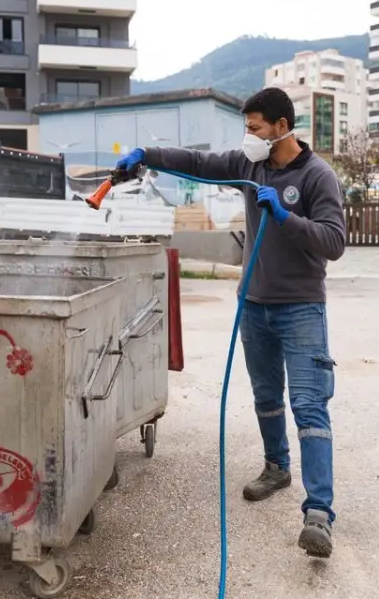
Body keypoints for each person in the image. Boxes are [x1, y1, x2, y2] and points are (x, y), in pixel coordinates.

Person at [114, 86, 346, 557]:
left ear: (282, 127)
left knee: (309, 406)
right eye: (246, 127)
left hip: (301, 307)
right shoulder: (249, 167)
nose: (248, 136)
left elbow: (334, 242)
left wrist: (285, 216)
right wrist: (147, 155)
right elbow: (198, 163)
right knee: (265, 396)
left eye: (255, 127)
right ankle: (276, 467)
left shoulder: (319, 176)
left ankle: (319, 513)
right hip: (254, 305)